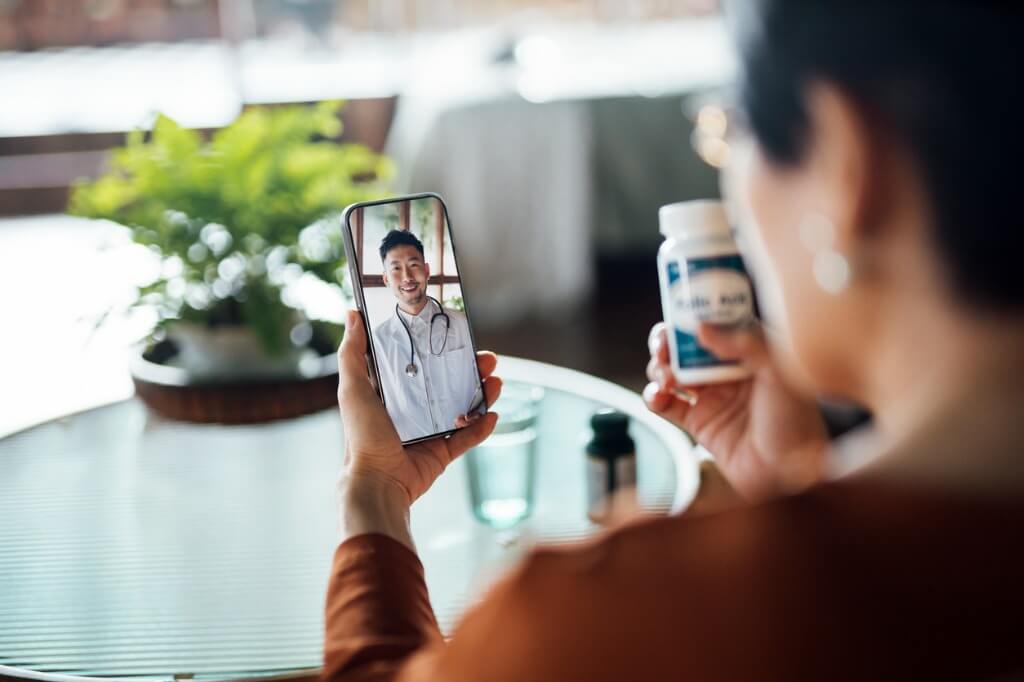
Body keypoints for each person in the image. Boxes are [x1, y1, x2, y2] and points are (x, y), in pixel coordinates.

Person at [325, 2, 1024, 680]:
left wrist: (376, 492)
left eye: (731, 128)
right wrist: (794, 488)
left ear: (846, 163)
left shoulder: (610, 618)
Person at [371, 230, 484, 442]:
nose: (407, 277)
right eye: (396, 268)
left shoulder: (463, 323)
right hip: (411, 455)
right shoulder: (376, 342)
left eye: (414, 265)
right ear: (386, 279)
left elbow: (483, 385)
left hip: (465, 441)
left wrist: (478, 414)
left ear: (427, 270)